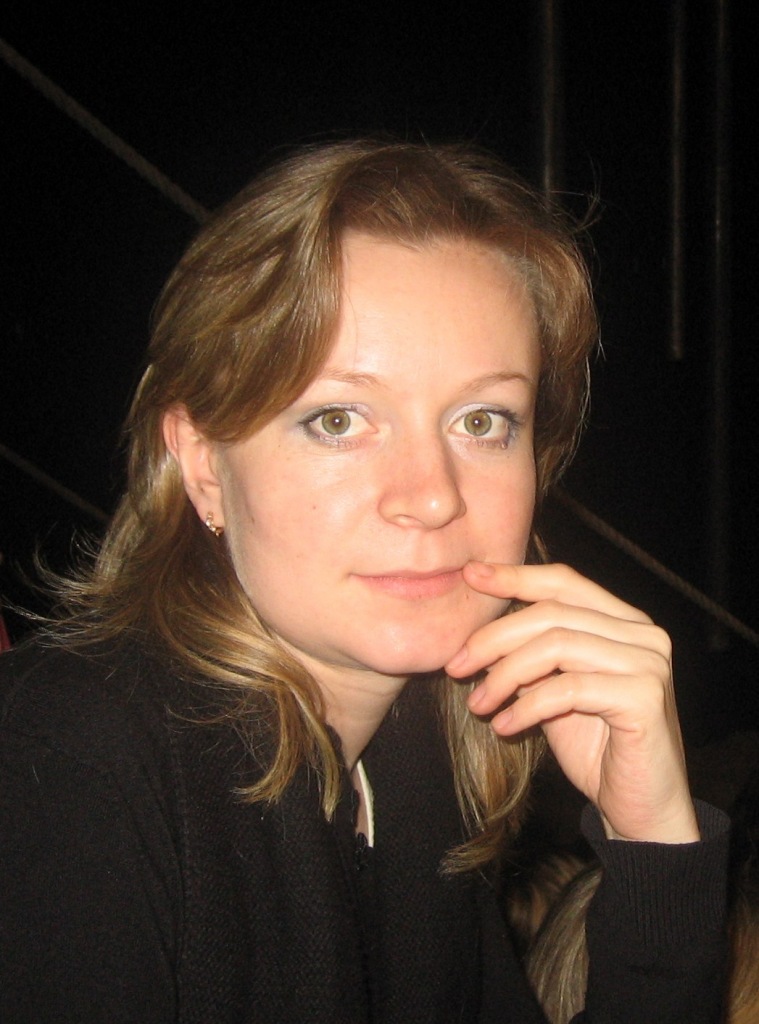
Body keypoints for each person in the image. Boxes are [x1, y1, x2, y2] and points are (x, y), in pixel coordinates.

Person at [0, 139, 729, 1023]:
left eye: (481, 420)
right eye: (338, 420)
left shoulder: (409, 773)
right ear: (201, 463)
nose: (430, 496)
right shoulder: (67, 761)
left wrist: (652, 839)